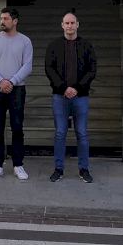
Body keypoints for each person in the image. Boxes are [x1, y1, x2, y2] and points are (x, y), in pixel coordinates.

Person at [45, 11, 97, 183]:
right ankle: (58, 169)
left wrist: (77, 88)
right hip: (60, 97)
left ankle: (84, 169)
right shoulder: (54, 46)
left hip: (81, 97)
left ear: (77, 25)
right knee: (60, 133)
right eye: (66, 23)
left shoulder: (87, 46)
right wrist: (63, 88)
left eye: (72, 23)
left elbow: (92, 70)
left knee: (82, 133)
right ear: (62, 25)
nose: (69, 26)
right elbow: (49, 69)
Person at [0, 7, 33, 180]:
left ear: (15, 21)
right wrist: (1, 81)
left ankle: (18, 165)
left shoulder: (25, 41)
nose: (2, 21)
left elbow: (27, 66)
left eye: (6, 18)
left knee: (17, 127)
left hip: (17, 89)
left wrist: (11, 81)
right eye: (1, 18)